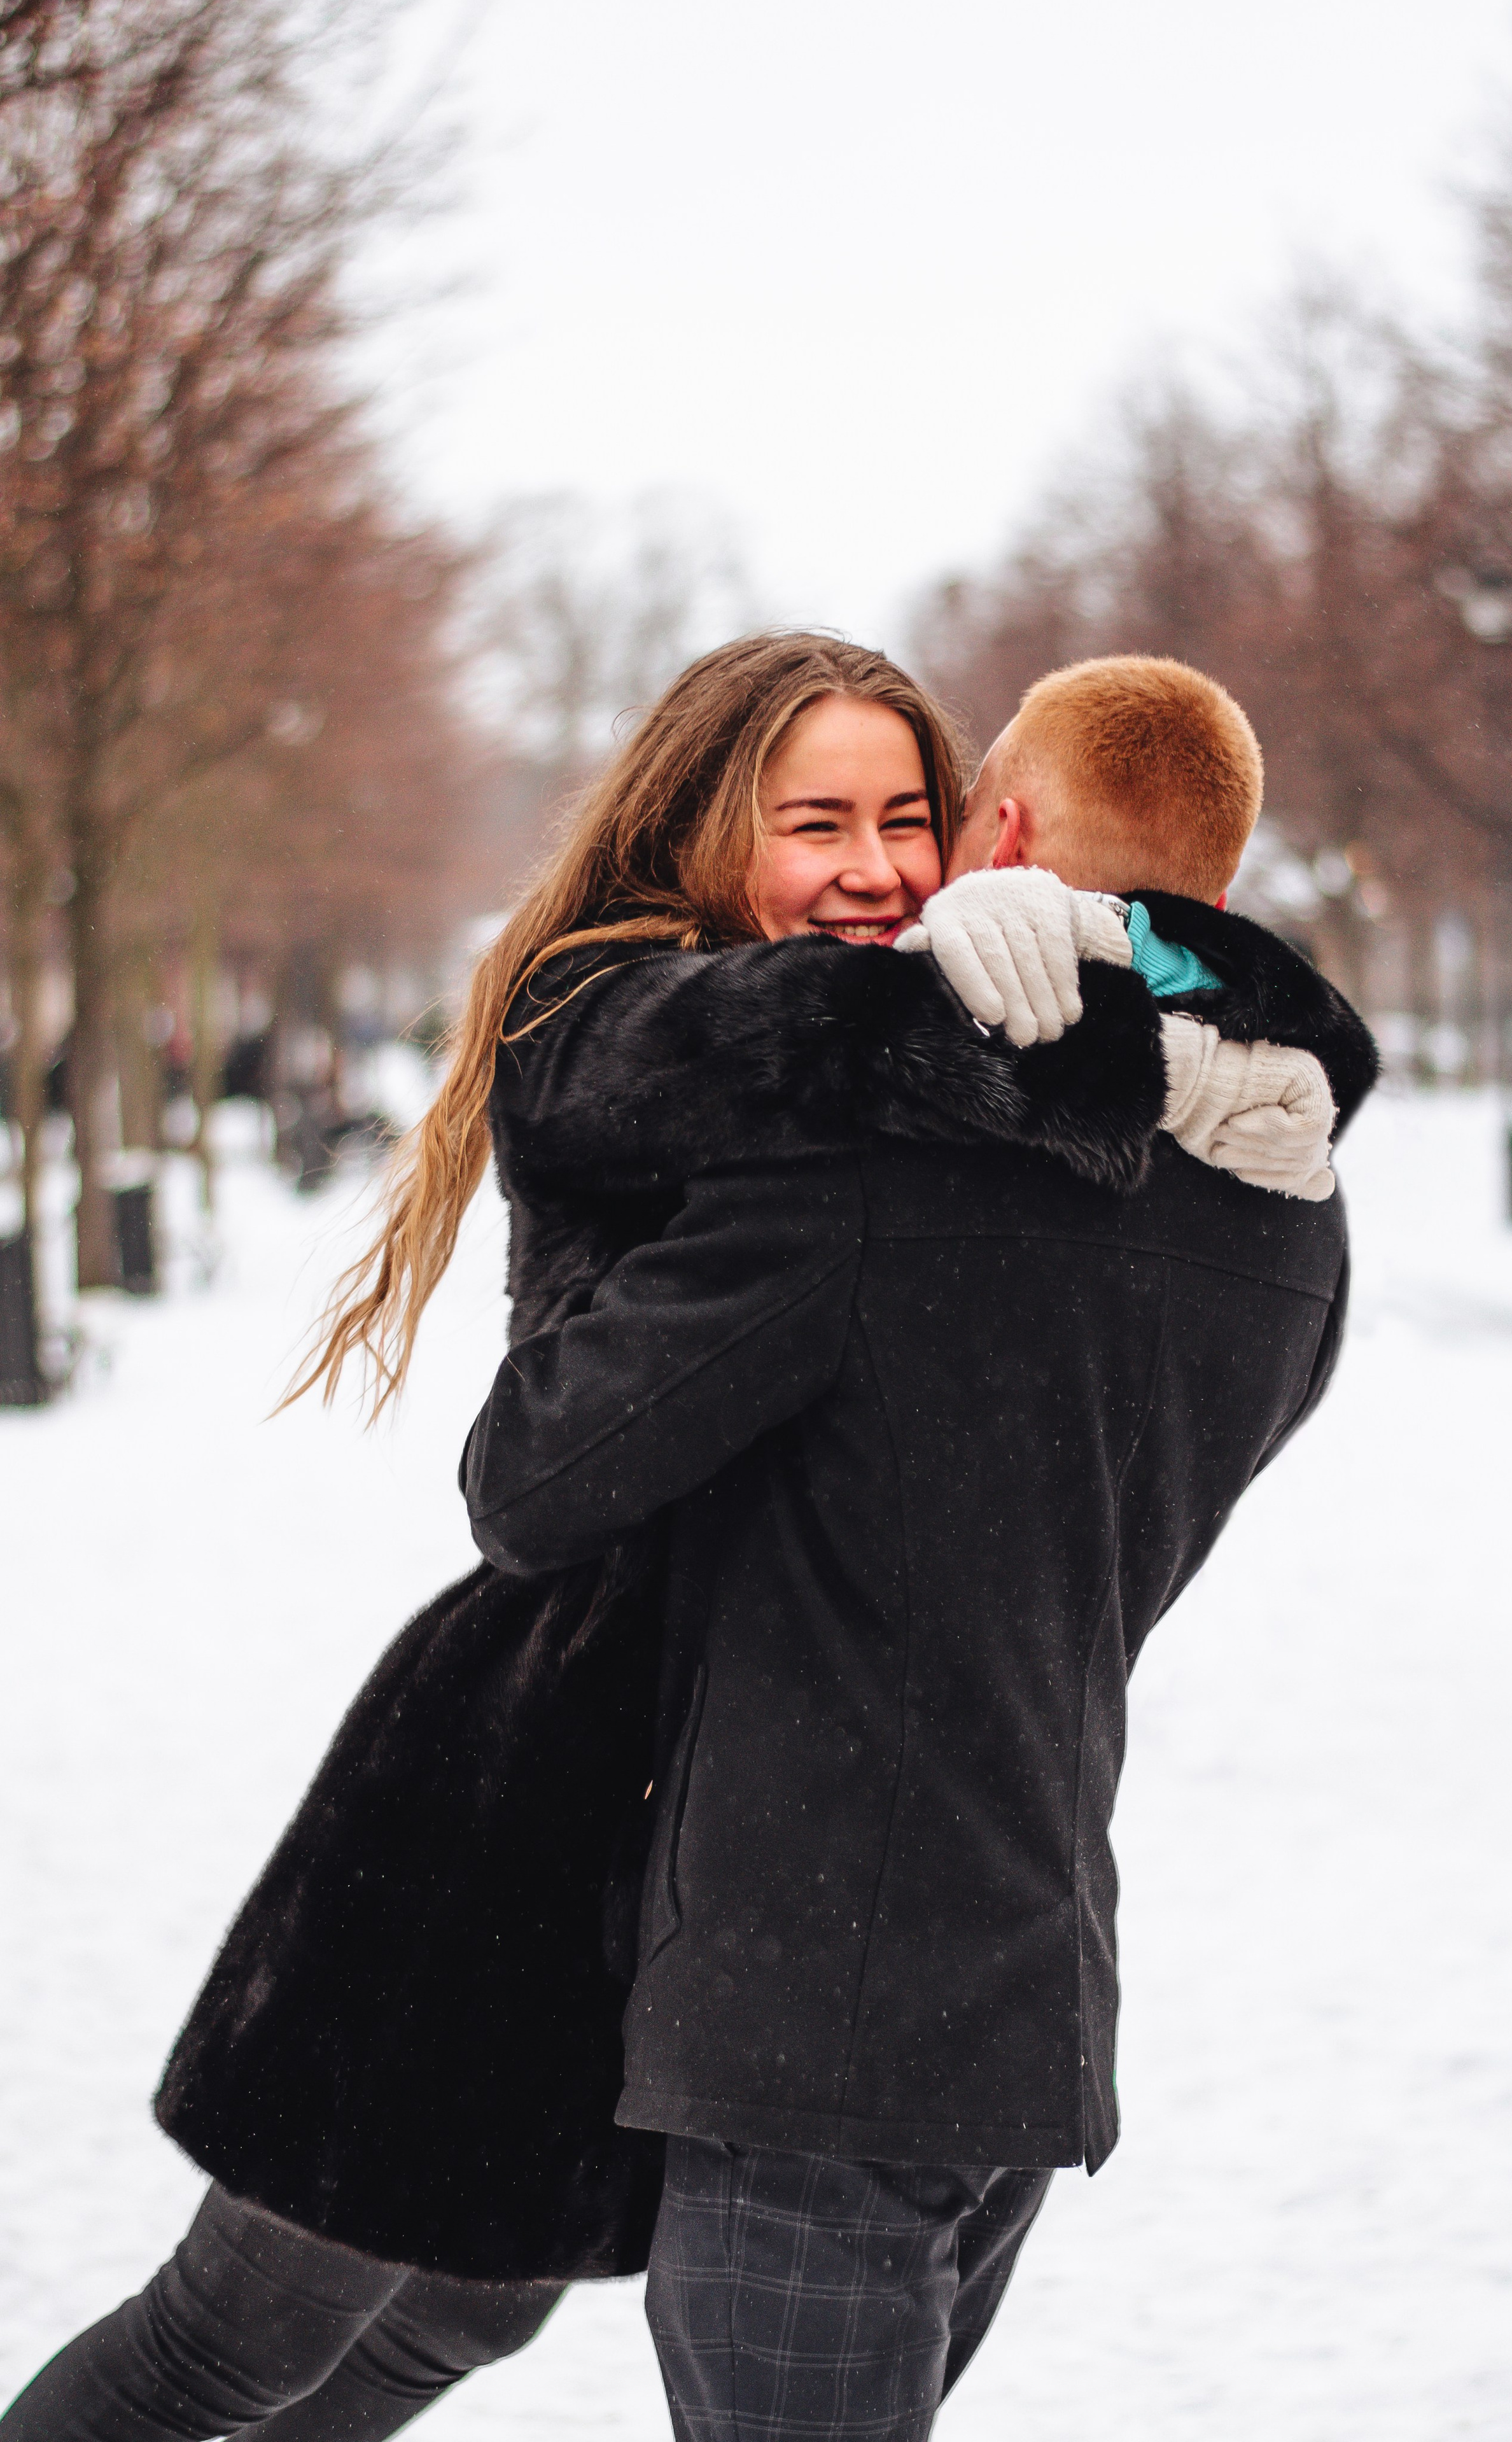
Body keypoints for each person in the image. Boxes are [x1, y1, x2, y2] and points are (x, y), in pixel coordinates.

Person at [1, 638, 1370, 2439]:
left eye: (913, 817)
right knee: (252, 2333)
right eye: (821, 822)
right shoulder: (1224, 1185)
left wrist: (1064, 1035)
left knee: (441, 2329)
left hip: (758, 1896)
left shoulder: (945, 1132)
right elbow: (592, 1239)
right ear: (708, 832)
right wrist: (1116, 1017)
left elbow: (595, 1452)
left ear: (999, 830)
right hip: (544, 1822)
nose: (884, 866)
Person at [455, 652, 1378, 2439]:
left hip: (814, 2021)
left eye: (934, 818)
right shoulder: (1294, 1219)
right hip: (1021, 1988)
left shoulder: (880, 1170)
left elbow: (533, 1480)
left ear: (1009, 833)